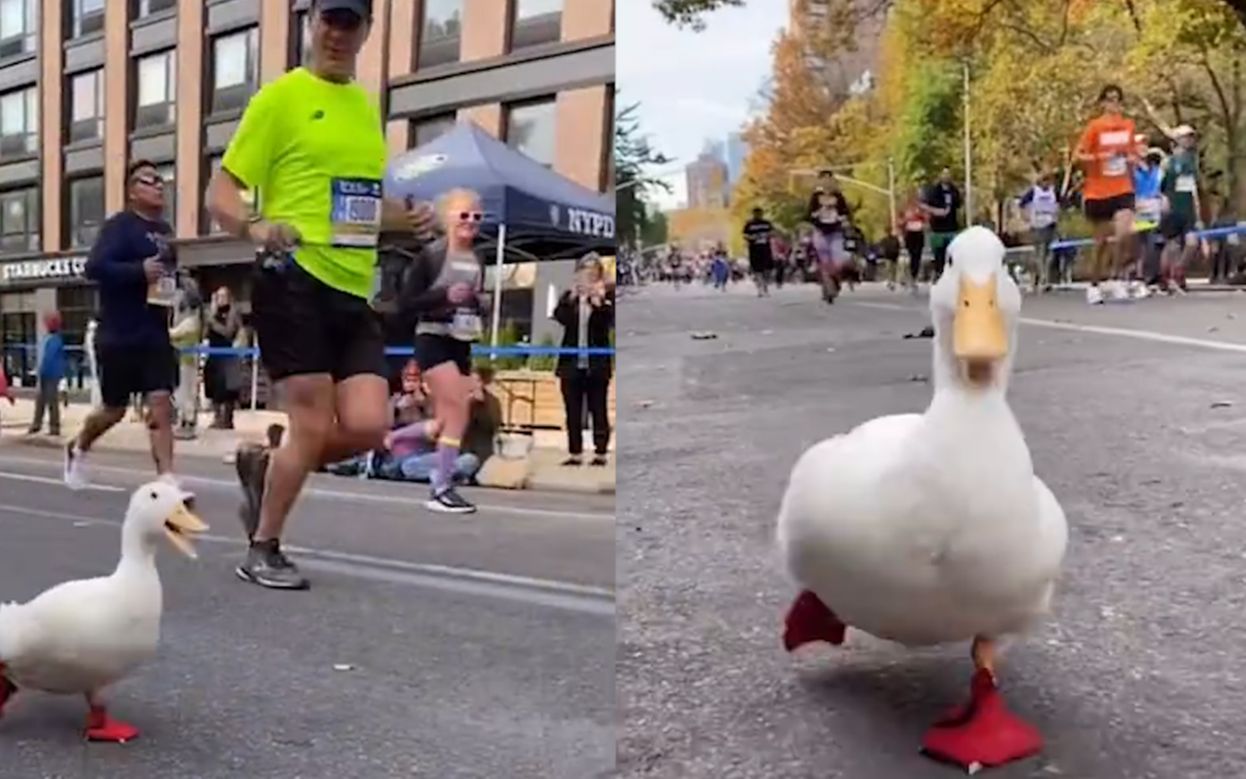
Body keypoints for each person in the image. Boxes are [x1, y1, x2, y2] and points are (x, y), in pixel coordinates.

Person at [207, 0, 436, 589]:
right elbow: (222, 193)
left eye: (350, 21)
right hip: (293, 278)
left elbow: (357, 206)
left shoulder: (364, 108)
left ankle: (268, 463)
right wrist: (256, 227)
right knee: (309, 420)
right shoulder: (280, 99)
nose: (338, 32)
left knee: (367, 425)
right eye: (329, 19)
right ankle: (263, 546)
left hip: (352, 287)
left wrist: (408, 218)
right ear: (313, 25)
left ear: (366, 31)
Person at [65, 159, 182, 492]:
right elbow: (94, 267)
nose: (159, 186)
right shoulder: (119, 227)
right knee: (114, 410)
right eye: (150, 181)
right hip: (119, 333)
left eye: (162, 181)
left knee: (160, 401)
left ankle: (167, 479)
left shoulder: (164, 231)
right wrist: (137, 271)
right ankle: (79, 446)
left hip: (155, 331)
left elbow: (166, 276)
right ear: (133, 191)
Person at [396, 188, 488, 513]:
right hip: (432, 338)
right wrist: (444, 297)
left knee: (447, 420)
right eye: (464, 215)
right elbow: (405, 305)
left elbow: (479, 301)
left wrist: (477, 302)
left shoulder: (479, 258)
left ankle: (395, 440)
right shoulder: (432, 256)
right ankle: (441, 487)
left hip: (462, 340)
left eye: (477, 217)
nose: (471, 222)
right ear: (448, 217)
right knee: (459, 406)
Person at [1075, 84, 1138, 305]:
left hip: (1122, 187)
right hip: (1098, 190)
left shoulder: (1128, 126)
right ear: (1102, 103)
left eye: (1117, 100)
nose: (1114, 104)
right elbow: (1079, 155)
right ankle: (1094, 284)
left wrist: (1131, 159)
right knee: (1101, 243)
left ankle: (1117, 278)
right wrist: (1102, 156)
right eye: (1109, 100)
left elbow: (1132, 154)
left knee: (1124, 233)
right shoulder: (1094, 127)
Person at [553, 252, 615, 467]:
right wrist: (572, 298)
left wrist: (598, 302)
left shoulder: (607, 296)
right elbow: (560, 317)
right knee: (573, 410)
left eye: (592, 274)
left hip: (596, 364)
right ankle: (575, 452)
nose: (587, 278)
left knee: (598, 407)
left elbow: (607, 322)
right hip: (571, 364)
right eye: (584, 273)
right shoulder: (569, 297)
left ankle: (600, 452)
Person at [1159, 125, 1202, 294]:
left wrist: (1197, 209)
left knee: (1192, 243)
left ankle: (1178, 272)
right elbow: (1159, 185)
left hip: (1188, 206)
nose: (1189, 140)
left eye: (1191, 137)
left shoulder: (1192, 160)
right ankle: (1164, 278)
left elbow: (1193, 187)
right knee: (1172, 245)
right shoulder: (1168, 161)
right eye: (1185, 137)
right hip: (1172, 204)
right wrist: (1163, 200)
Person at [807, 170, 853, 303]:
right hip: (820, 232)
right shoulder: (816, 197)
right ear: (819, 181)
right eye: (824, 179)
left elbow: (845, 212)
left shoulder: (838, 196)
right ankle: (828, 288)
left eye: (830, 179)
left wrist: (843, 219)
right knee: (825, 262)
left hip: (836, 231)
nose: (827, 181)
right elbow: (809, 214)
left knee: (838, 260)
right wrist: (817, 214)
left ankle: (835, 281)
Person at [168, 275, 203, 440]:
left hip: (187, 361)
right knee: (182, 393)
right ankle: (184, 421)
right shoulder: (188, 318)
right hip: (180, 359)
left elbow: (174, 334)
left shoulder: (191, 320)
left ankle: (188, 423)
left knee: (186, 393)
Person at [205, 286, 243, 429]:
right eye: (217, 296)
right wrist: (211, 315)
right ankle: (217, 418)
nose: (219, 299)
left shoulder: (233, 312)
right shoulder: (213, 312)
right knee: (213, 387)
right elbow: (206, 332)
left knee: (227, 389)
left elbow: (228, 332)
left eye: (222, 296)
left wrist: (213, 323)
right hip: (213, 353)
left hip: (228, 354)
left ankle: (227, 419)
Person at [1017, 170, 1061, 292]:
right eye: (1045, 180)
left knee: (1049, 253)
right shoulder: (1033, 192)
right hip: (1037, 225)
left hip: (1050, 224)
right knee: (1040, 253)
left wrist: (1057, 218)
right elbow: (1021, 204)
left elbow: (1059, 205)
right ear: (1040, 181)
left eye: (1049, 181)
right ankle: (1043, 279)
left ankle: (1041, 277)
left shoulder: (1054, 192)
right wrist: (1024, 217)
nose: (1047, 183)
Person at [27, 311, 65, 437]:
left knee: (50, 400)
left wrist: (40, 370)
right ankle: (37, 424)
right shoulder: (51, 338)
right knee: (41, 400)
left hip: (50, 374)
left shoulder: (53, 340)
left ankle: (53, 427)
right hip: (47, 373)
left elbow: (48, 358)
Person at [921, 167, 961, 281]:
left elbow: (958, 204)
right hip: (937, 229)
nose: (946, 176)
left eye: (948, 174)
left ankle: (950, 275)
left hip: (951, 227)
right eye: (944, 174)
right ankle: (939, 273)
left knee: (952, 252)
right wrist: (935, 211)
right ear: (940, 176)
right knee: (939, 253)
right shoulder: (934, 190)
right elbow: (924, 205)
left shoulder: (954, 190)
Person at [897, 186, 928, 291]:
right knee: (909, 255)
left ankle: (913, 278)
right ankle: (905, 277)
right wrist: (901, 232)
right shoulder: (905, 207)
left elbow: (927, 219)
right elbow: (900, 221)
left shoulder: (922, 208)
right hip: (909, 233)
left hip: (919, 232)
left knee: (917, 256)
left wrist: (924, 223)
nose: (918, 197)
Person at [742, 206, 775, 297]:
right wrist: (752, 237)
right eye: (756, 213)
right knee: (757, 269)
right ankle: (760, 288)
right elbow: (745, 235)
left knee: (767, 269)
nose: (758, 215)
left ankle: (765, 286)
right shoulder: (749, 224)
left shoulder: (767, 223)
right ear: (753, 214)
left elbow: (773, 233)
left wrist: (767, 235)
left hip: (765, 248)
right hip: (754, 249)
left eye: (759, 213)